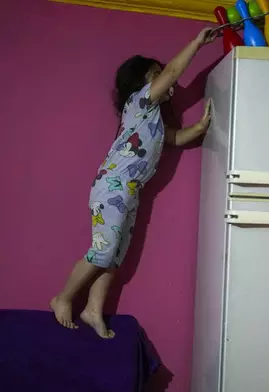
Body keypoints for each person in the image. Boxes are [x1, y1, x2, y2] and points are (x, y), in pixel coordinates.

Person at [50, 28, 217, 338]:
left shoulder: (152, 121)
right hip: (113, 185)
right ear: (143, 82)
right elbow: (172, 71)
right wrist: (196, 42)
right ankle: (63, 298)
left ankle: (93, 311)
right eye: (156, 76)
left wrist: (203, 124)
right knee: (103, 250)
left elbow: (177, 138)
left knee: (115, 255)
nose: (169, 83)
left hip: (130, 190)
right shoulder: (139, 103)